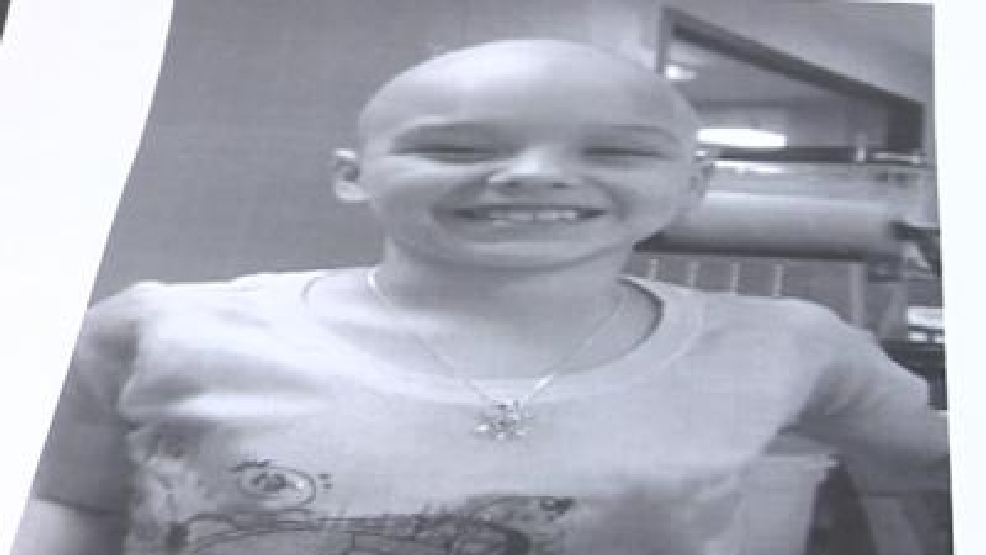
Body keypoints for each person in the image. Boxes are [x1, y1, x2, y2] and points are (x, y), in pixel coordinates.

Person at [15, 39, 947, 555]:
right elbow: (70, 506)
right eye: (456, 148)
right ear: (353, 174)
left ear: (693, 184)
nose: (534, 174)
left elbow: (929, 471)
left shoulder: (791, 343)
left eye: (616, 150)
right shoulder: (160, 328)